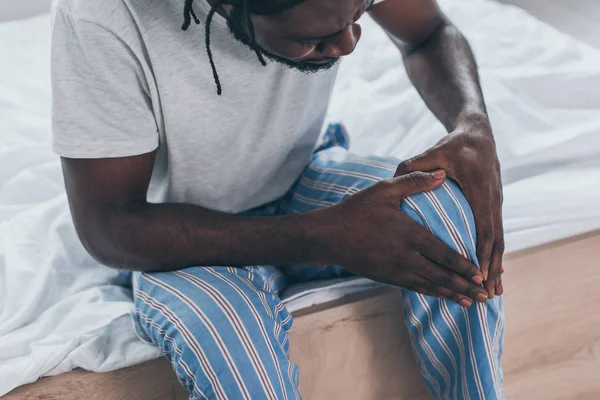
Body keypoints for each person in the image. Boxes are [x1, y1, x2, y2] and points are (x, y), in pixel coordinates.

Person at [50, 0, 506, 397]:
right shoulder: (100, 16)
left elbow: (427, 31)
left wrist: (471, 122)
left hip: (301, 174)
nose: (349, 45)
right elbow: (109, 226)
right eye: (317, 39)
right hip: (177, 233)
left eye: (360, 12)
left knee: (446, 214)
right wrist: (322, 238)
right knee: (227, 341)